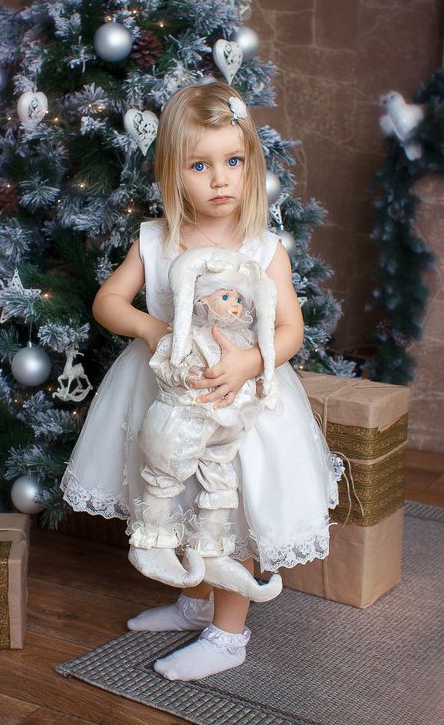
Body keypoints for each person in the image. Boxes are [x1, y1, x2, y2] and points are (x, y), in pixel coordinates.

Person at [60, 80, 342, 682]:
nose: (220, 180)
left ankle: (228, 634)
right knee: (181, 498)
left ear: (251, 166)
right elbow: (108, 301)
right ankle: (195, 600)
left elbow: (291, 329)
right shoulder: (156, 240)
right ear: (172, 172)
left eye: (233, 162)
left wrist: (249, 362)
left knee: (230, 511)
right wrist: (152, 329)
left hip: (237, 405)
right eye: (200, 165)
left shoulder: (263, 249)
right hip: (166, 398)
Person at [129, 246, 283, 603]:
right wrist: (184, 374)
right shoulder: (187, 337)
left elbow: (266, 356)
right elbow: (166, 364)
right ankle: (153, 539)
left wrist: (255, 374)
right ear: (200, 299)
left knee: (221, 479)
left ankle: (210, 546)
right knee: (164, 473)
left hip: (225, 424)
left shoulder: (243, 340)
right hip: (184, 420)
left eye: (239, 299)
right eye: (225, 296)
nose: (235, 306)